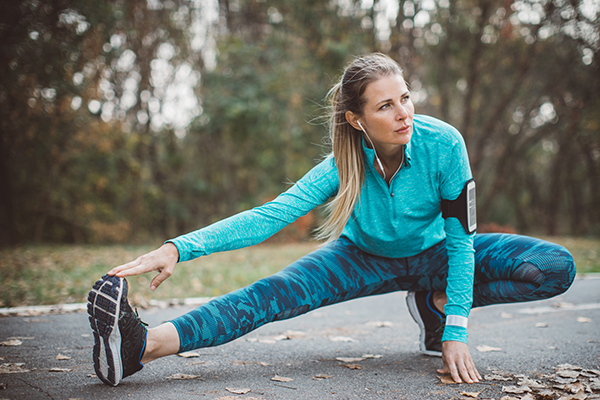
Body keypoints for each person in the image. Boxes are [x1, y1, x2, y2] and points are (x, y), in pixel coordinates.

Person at [87, 53, 575, 387]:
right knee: (268, 296)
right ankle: (140, 346)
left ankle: (434, 303)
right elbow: (270, 216)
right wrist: (178, 248)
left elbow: (462, 239)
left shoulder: (444, 144)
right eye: (386, 105)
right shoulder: (345, 162)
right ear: (356, 120)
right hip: (361, 258)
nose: (404, 113)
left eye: (405, 97)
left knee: (554, 267)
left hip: (437, 258)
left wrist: (456, 324)